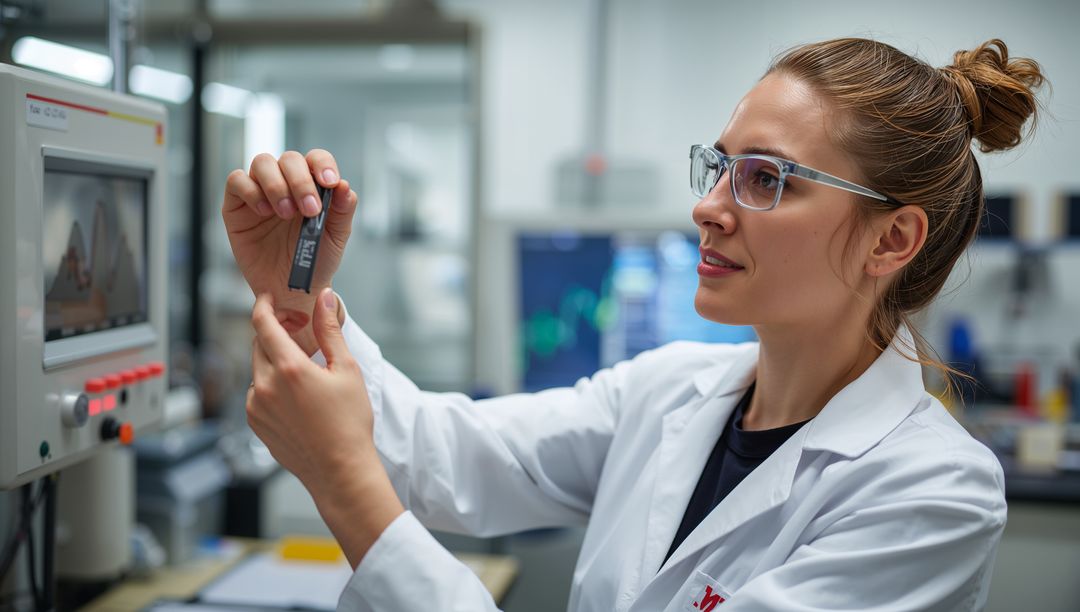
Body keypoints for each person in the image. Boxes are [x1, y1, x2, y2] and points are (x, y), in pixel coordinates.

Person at [221, 37, 1045, 610]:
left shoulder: (933, 493)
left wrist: (346, 492)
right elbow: (439, 454)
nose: (708, 207)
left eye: (766, 180)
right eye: (720, 167)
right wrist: (299, 295)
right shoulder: (668, 390)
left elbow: (367, 467)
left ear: (891, 240)